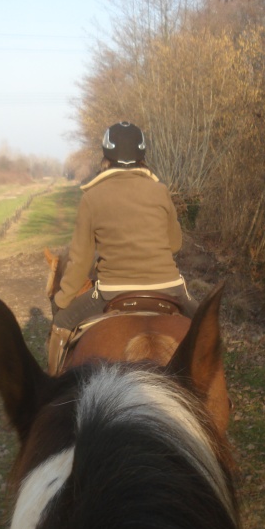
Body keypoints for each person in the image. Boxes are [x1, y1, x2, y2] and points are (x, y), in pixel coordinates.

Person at [48, 121, 198, 373]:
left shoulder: (91, 197)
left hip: (112, 291)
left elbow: (80, 260)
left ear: (106, 156)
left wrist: (62, 299)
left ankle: (52, 387)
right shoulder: (160, 191)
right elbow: (174, 243)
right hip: (169, 287)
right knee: (209, 329)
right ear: (142, 156)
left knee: (61, 324)